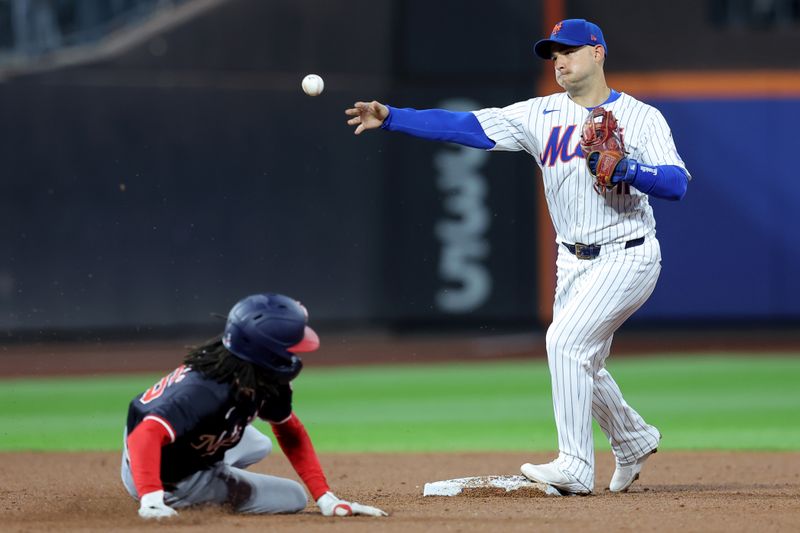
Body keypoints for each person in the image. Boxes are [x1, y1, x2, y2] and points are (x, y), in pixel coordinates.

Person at [345, 18, 690, 495]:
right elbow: (467, 127)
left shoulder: (641, 116)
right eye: (553, 55)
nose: (560, 62)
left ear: (597, 52)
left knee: (565, 345)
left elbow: (676, 183)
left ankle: (575, 465)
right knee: (583, 363)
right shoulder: (539, 114)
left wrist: (629, 169)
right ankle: (631, 438)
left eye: (568, 51)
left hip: (627, 253)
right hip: (572, 260)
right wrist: (393, 117)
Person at [121, 293, 388, 518]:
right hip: (159, 470)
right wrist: (151, 498)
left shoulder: (252, 370)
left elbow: (290, 431)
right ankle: (184, 492)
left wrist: (325, 497)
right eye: (290, 347)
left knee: (260, 444)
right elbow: (145, 434)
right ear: (268, 352)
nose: (295, 354)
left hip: (179, 440)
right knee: (293, 497)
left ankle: (208, 472)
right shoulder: (207, 392)